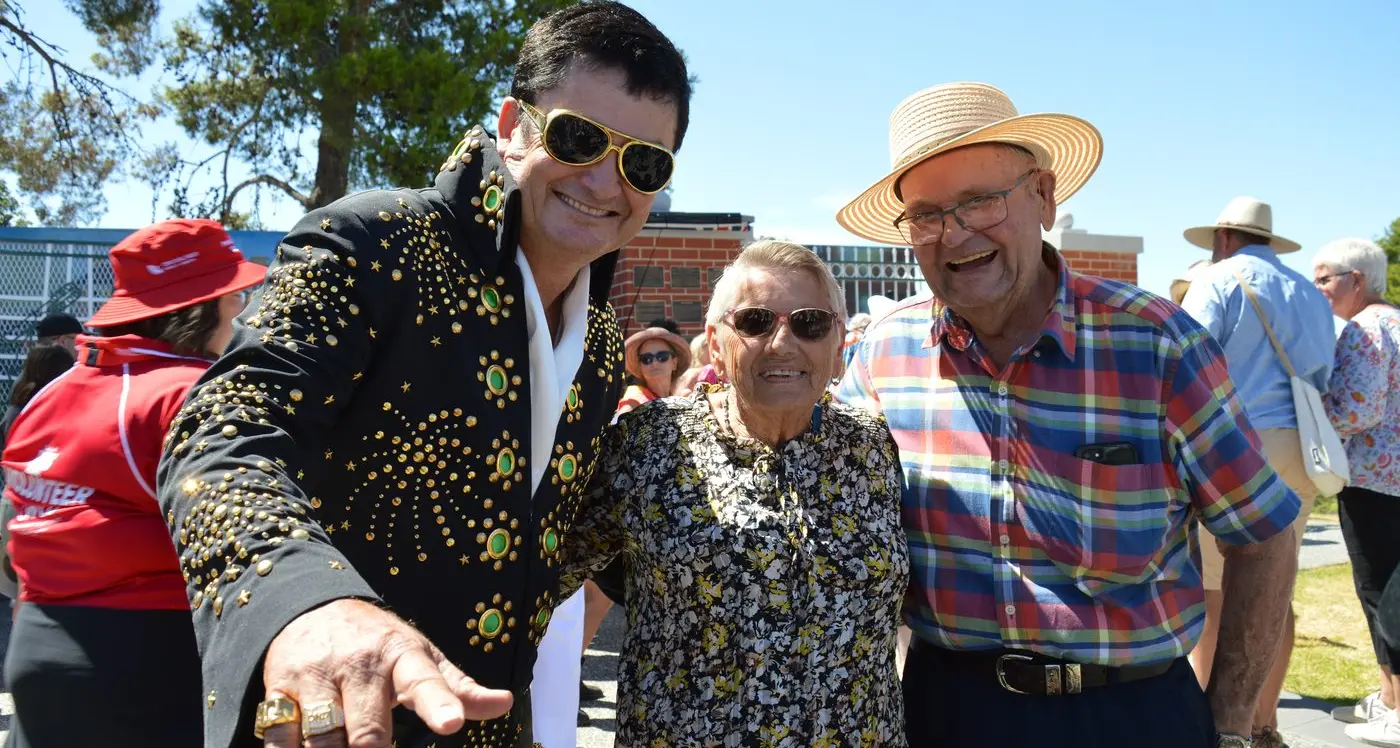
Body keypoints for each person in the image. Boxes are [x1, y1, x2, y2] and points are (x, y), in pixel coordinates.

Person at [153, 4, 691, 746]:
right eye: (577, 137)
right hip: (334, 727)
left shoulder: (601, 341)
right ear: (512, 128)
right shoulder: (377, 243)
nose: (605, 179)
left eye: (643, 163)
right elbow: (221, 430)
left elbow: (550, 543)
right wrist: (305, 600)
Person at [834, 82, 1301, 748]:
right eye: (927, 214)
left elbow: (1262, 536)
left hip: (1130, 715)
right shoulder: (884, 357)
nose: (956, 232)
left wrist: (1228, 725)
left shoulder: (1156, 345)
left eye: (981, 201)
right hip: (947, 712)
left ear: (1044, 197)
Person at [561, 240, 908, 745]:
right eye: (755, 322)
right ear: (716, 344)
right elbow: (540, 574)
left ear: (837, 344)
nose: (783, 342)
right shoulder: (649, 444)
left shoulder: (874, 446)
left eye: (809, 323)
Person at [1, 219, 264, 747]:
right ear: (200, 305)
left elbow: (12, 540)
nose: (241, 309)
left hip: (37, 647)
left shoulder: (53, 393)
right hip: (147, 660)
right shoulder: (192, 394)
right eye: (234, 295)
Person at [1179, 196, 1335, 747]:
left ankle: (1216, 727)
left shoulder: (1219, 278)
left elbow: (1188, 358)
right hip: (1302, 445)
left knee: (1218, 591)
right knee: (1277, 585)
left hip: (1237, 442)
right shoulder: (1310, 292)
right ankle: (1264, 722)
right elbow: (1324, 370)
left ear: (1223, 237)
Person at [1311, 238, 1400, 746]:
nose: (1318, 289)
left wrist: (1311, 408)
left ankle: (1396, 708)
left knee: (1380, 594)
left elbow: (1356, 410)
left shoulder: (1366, 328)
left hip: (1373, 482)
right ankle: (1388, 697)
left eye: (1325, 278)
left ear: (1357, 280)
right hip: (1389, 482)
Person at [0, 344, 76, 600]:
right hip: (46, 502)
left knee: (21, 590)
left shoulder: (18, 404)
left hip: (17, 497)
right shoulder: (49, 407)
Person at [614, 325, 691, 414]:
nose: (654, 362)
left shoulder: (681, 399)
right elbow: (620, 424)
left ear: (674, 363)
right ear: (640, 366)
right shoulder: (634, 400)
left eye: (662, 356)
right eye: (646, 358)